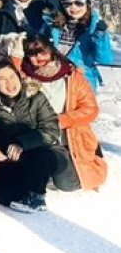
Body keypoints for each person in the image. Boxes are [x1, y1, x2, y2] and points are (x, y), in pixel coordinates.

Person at [19, 37, 107, 193]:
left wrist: (60, 120)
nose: (39, 57)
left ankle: (90, 157)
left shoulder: (72, 77)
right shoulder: (24, 78)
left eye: (42, 52)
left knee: (68, 184)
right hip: (40, 139)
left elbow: (90, 109)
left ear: (51, 51)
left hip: (69, 137)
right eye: (32, 53)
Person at [0, 62, 65, 213]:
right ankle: (28, 183)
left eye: (12, 76)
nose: (10, 83)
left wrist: (22, 143)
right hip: (16, 157)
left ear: (19, 77)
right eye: (2, 79)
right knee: (5, 197)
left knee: (37, 157)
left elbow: (51, 129)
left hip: (47, 152)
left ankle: (37, 196)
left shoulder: (35, 96)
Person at [41, 0, 113, 90]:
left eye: (79, 3)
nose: (73, 7)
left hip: (81, 80)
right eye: (67, 4)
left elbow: (105, 59)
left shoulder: (93, 28)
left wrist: (101, 35)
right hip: (54, 78)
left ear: (87, 4)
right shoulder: (53, 26)